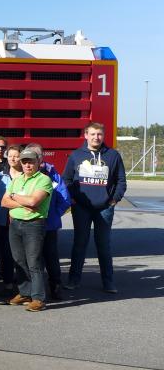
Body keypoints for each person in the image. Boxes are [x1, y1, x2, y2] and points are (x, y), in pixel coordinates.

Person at [63, 122, 127, 293]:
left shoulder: (113, 155)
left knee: (103, 246)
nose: (96, 137)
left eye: (99, 134)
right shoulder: (76, 155)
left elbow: (121, 181)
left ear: (103, 135)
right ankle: (73, 280)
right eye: (92, 134)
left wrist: (114, 199)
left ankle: (108, 283)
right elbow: (66, 179)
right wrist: (72, 199)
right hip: (81, 208)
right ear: (86, 135)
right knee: (79, 244)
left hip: (104, 208)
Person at [0, 148, 54, 312]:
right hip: (15, 224)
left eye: (31, 162)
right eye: (24, 162)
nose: (27, 165)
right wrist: (22, 202)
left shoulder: (44, 180)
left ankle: (38, 298)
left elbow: (33, 202)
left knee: (34, 262)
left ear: (38, 162)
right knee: (19, 260)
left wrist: (14, 196)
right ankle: (25, 293)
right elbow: (4, 202)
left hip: (34, 225)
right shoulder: (16, 180)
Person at [27, 143, 71, 300]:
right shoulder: (24, 173)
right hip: (29, 224)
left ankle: (55, 286)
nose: (35, 158)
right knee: (32, 258)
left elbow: (65, 199)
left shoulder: (53, 174)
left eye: (38, 155)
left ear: (42, 156)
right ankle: (32, 290)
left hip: (49, 225)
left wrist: (53, 215)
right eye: (32, 155)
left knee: (51, 257)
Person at [0, 146, 23, 297]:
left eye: (16, 156)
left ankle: (23, 287)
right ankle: (8, 284)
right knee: (6, 254)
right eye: (10, 156)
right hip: (3, 221)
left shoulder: (27, 176)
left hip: (22, 220)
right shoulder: (0, 176)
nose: (13, 159)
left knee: (21, 255)